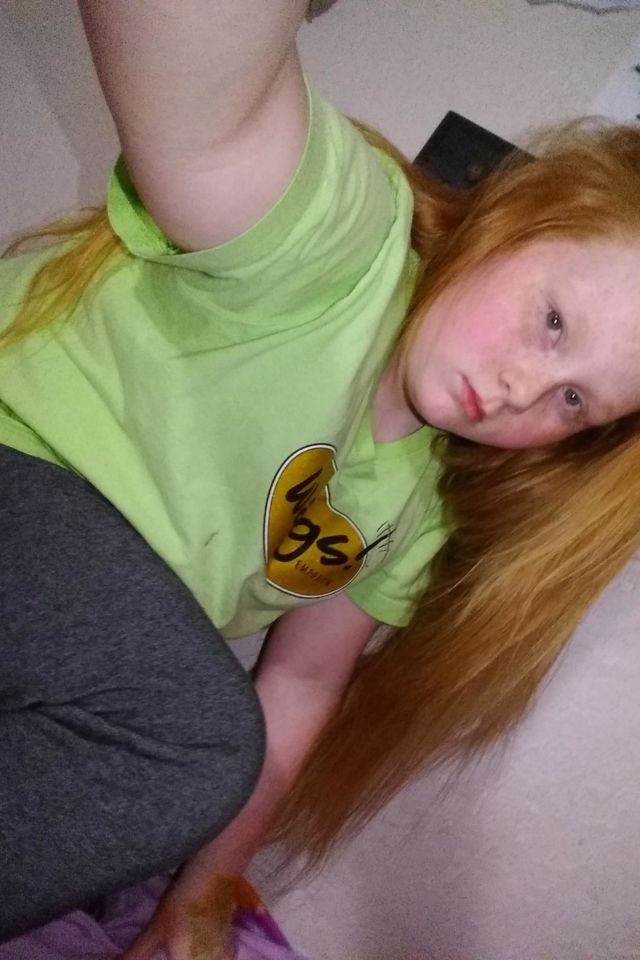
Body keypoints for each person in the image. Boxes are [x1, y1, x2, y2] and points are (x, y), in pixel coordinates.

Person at [2, 1, 640, 957]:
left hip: (70, 626)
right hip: (23, 461)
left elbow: (301, 684)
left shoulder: (416, 507)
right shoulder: (344, 246)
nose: (524, 388)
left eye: (573, 402)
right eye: (553, 324)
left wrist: (203, 894)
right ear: (515, 223)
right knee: (192, 741)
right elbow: (205, 119)